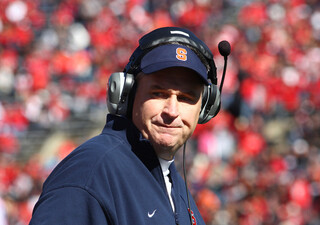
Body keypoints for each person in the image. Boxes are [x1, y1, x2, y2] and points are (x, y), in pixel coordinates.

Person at [29, 26, 227, 225]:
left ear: (205, 108)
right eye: (158, 93)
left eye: (186, 98)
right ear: (127, 94)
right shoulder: (90, 171)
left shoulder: (175, 186)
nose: (172, 111)